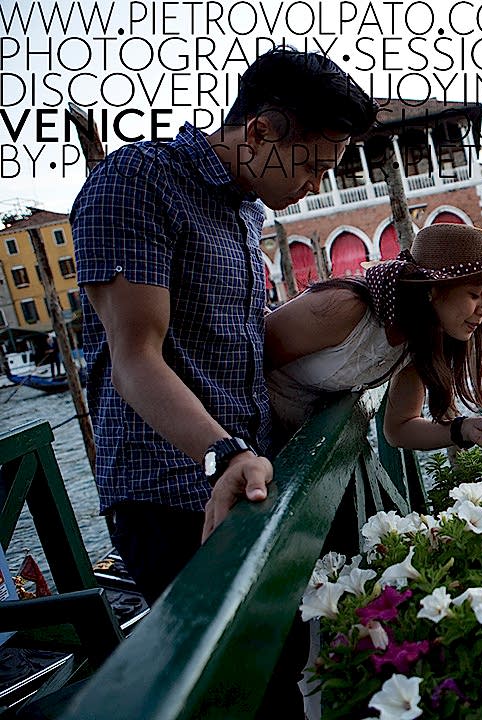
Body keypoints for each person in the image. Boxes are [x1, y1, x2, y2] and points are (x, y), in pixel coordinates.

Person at [71, 47, 375, 716]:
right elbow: (134, 359)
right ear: (261, 131)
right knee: (238, 695)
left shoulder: (247, 209)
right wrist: (223, 454)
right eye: (313, 165)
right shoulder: (136, 181)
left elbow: (239, 341)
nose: (319, 186)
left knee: (287, 672)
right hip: (171, 494)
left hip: (249, 479)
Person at [264, 223, 482, 453]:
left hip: (294, 443)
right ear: (432, 290)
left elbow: (400, 428)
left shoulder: (418, 338)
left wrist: (464, 429)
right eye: (474, 294)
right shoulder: (346, 307)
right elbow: (245, 355)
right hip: (251, 429)